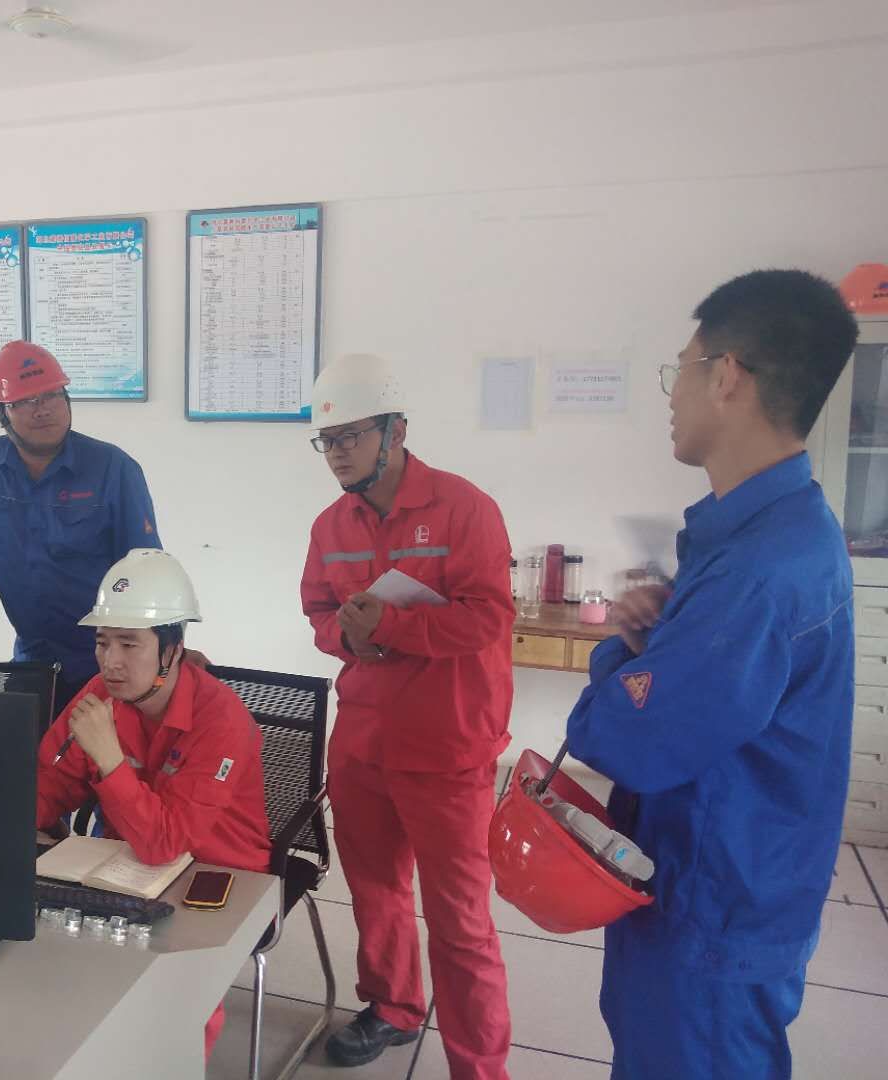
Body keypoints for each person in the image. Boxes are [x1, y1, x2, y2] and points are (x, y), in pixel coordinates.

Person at [564, 270, 859, 1079]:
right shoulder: (774, 530)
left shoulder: (760, 569)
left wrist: (618, 656)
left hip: (713, 907)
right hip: (725, 881)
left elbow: (623, 738)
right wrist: (658, 644)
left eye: (681, 370)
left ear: (727, 376)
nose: (672, 394)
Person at [299, 355, 514, 1076]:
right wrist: (346, 636)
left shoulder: (463, 508)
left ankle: (479, 1065)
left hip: (447, 746)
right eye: (326, 441)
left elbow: (488, 617)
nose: (336, 453)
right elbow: (318, 610)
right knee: (376, 891)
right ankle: (393, 1007)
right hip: (362, 742)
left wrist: (390, 627)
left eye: (350, 436)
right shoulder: (331, 525)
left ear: (395, 431)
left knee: (460, 922)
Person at [35, 548, 270, 1058]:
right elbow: (48, 783)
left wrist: (109, 759)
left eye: (129, 644)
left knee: (177, 1003)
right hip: (128, 865)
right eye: (102, 642)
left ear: (172, 650)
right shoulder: (100, 693)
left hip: (218, 874)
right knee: (57, 969)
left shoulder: (222, 719)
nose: (111, 661)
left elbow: (166, 842)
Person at [0, 341, 176, 714]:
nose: (43, 409)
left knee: (101, 748)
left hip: (107, 660)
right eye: (25, 401)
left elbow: (146, 572)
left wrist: (167, 654)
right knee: (23, 744)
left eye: (52, 396)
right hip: (34, 658)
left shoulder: (113, 468)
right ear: (0, 412)